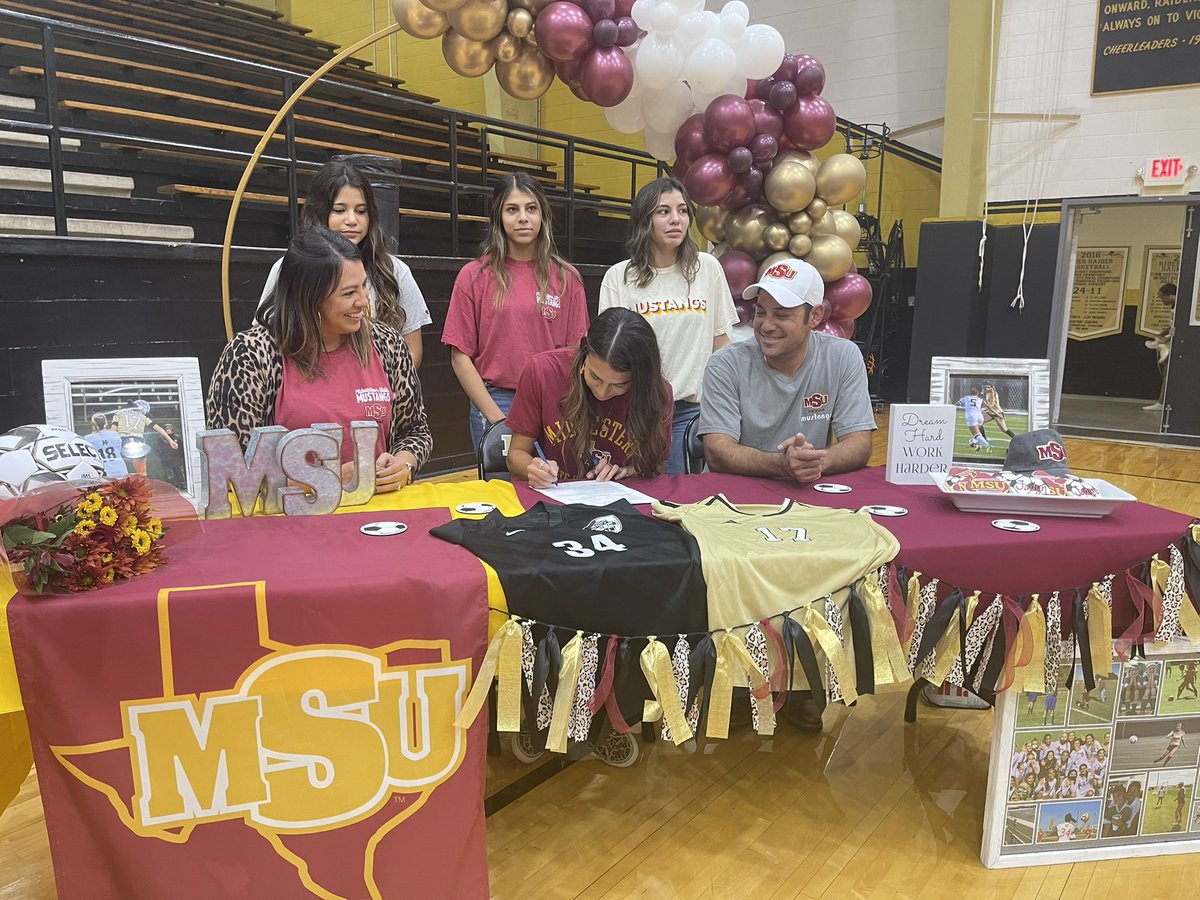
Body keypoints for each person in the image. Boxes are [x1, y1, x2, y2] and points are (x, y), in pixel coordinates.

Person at [207, 228, 431, 491]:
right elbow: (230, 464)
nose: (363, 301)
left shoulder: (388, 344)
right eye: (349, 293)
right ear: (309, 298)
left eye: (364, 286)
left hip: (377, 516)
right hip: (287, 520)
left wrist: (402, 466)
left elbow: (415, 431)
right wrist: (324, 478)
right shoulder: (249, 355)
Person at [599, 177, 738, 474]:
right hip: (638, 411)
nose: (676, 219)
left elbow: (721, 343)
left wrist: (730, 407)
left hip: (693, 412)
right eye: (663, 212)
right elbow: (611, 353)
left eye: (682, 210)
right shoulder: (619, 276)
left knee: (684, 500)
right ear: (644, 219)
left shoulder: (707, 268)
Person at [443, 172, 588, 450]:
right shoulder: (474, 276)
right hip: (497, 401)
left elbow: (575, 353)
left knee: (551, 490)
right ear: (498, 217)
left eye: (531, 208)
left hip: (553, 402)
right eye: (512, 209)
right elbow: (460, 356)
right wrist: (497, 419)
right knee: (500, 492)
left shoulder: (567, 277)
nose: (523, 217)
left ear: (543, 215)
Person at [697, 257, 874, 484]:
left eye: (781, 315)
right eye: (761, 312)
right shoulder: (725, 364)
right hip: (731, 496)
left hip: (804, 494)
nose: (767, 325)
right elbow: (717, 452)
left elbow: (859, 443)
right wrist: (783, 463)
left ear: (815, 316)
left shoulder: (843, 356)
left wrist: (816, 462)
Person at [259, 160, 432, 367]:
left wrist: (380, 389)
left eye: (361, 211)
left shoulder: (394, 271)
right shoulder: (286, 269)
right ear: (319, 213)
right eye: (339, 210)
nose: (352, 220)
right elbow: (268, 345)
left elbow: (412, 351)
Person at [506, 308, 672, 486]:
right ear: (585, 352)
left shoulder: (656, 394)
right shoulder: (543, 372)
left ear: (640, 379)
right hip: (551, 497)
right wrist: (534, 468)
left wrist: (628, 471)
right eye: (595, 377)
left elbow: (656, 465)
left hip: (614, 500)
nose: (602, 392)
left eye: (619, 385)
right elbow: (516, 455)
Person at [111, 399, 178, 476]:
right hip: (138, 442)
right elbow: (158, 428)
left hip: (122, 440)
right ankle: (141, 486)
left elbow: (113, 430)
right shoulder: (143, 417)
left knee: (117, 470)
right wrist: (170, 441)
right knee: (142, 473)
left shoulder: (119, 413)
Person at [1144, 282, 1176, 412]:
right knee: (1166, 373)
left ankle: (1162, 402)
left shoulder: (1180, 307)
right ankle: (1161, 401)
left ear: (1169, 296)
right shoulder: (1174, 307)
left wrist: (1166, 339)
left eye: (1162, 297)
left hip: (1178, 345)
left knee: (1167, 373)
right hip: (1172, 342)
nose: (1162, 301)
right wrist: (1160, 336)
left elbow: (1179, 328)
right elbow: (1172, 326)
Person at [83, 412, 129, 477]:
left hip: (103, 472)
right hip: (120, 469)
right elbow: (119, 451)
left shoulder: (88, 438)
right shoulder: (115, 434)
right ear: (106, 423)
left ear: (92, 424)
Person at [958, 387, 989, 451]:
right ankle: (976, 443)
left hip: (972, 417)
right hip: (980, 417)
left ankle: (987, 446)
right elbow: (987, 406)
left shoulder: (966, 398)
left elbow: (958, 403)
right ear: (977, 393)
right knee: (978, 432)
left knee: (976, 434)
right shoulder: (979, 399)